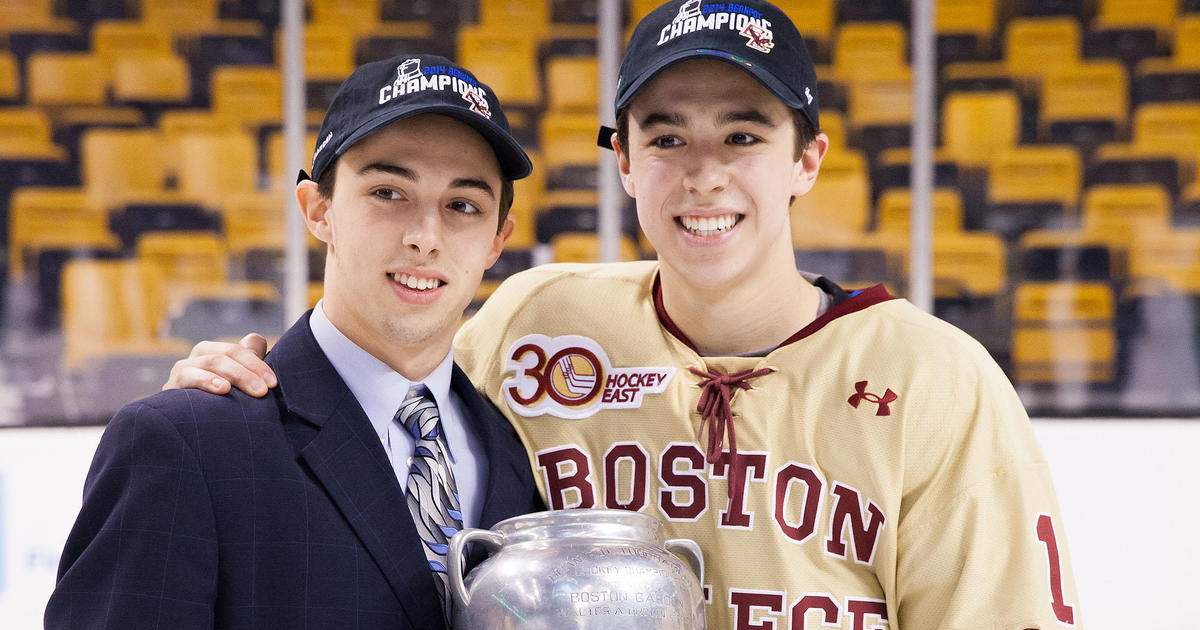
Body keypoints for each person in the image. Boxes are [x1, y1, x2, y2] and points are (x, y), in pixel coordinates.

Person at [165, 2, 1081, 628]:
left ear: (807, 160)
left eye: (744, 135)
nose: (703, 173)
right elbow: (380, 393)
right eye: (667, 136)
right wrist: (239, 386)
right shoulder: (539, 321)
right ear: (626, 164)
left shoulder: (934, 377)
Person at [46, 54, 544, 630]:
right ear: (318, 210)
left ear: (497, 240)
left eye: (463, 206)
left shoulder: (516, 449)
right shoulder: (185, 441)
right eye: (388, 192)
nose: (424, 238)